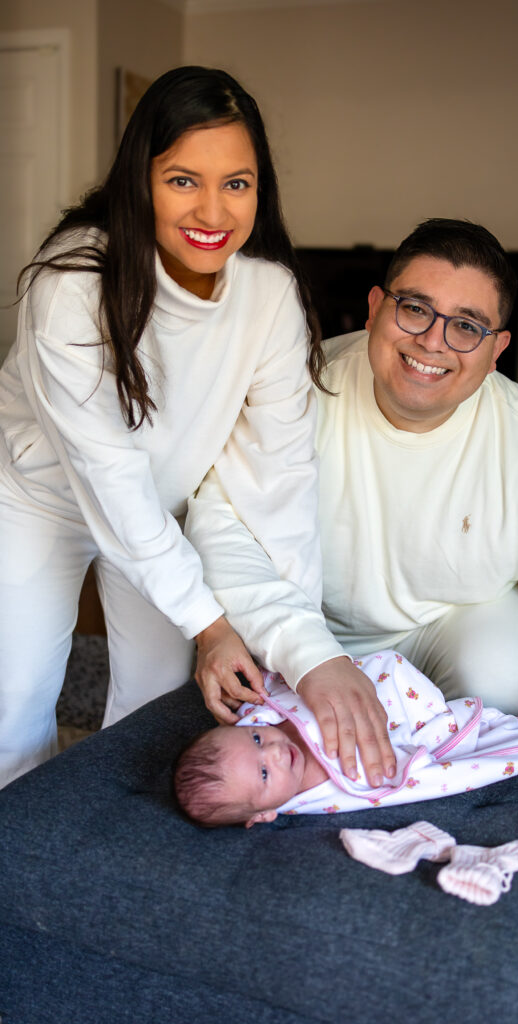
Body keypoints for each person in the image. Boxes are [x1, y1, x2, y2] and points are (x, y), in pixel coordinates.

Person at [0, 65, 394, 790]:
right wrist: (209, 626)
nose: (212, 209)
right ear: (139, 179)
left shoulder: (269, 295)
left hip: (162, 511)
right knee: (13, 706)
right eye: (183, 179)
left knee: (152, 713)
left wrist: (293, 649)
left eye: (236, 183)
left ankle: (115, 858)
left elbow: (281, 481)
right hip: (40, 501)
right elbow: (107, 475)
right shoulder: (71, 285)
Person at [186, 218, 518, 763]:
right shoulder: (293, 387)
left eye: (467, 326)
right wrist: (307, 656)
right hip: (302, 617)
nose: (432, 341)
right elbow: (219, 519)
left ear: (497, 351)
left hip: (455, 619)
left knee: (499, 683)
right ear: (375, 308)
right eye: (415, 309)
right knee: (254, 760)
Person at [174, 648, 518, 827]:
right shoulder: (332, 789)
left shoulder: (261, 714)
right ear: (264, 815)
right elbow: (399, 780)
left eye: (254, 740)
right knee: (479, 722)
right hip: (410, 714)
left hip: (367, 672)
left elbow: (270, 682)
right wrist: (414, 761)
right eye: (265, 774)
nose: (275, 752)